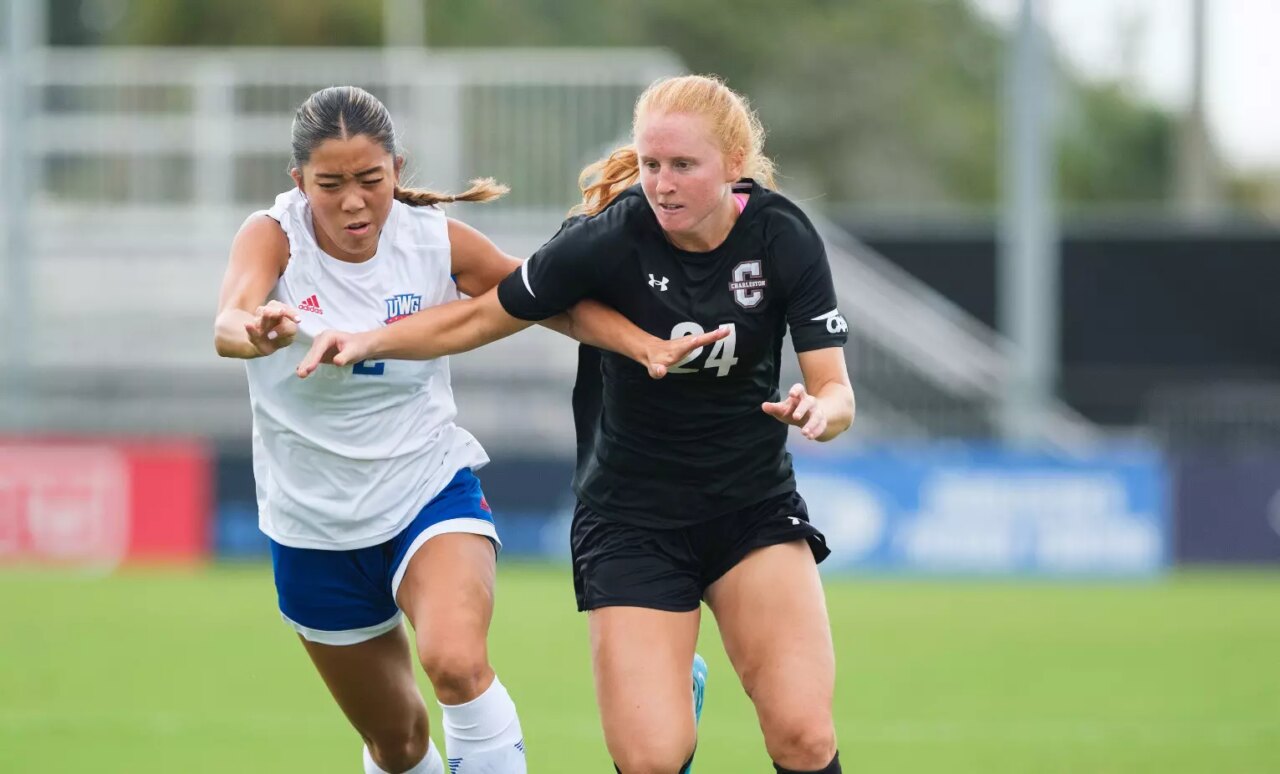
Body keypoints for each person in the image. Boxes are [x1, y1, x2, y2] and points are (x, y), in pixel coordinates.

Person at [298, 74, 854, 774]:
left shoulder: (782, 237)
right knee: (652, 759)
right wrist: (367, 338)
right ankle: (673, 682)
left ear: (735, 163)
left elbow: (836, 392)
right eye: (651, 165)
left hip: (752, 511)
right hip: (630, 523)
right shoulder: (609, 237)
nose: (662, 184)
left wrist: (817, 411)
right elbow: (481, 313)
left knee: (803, 736)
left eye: (684, 166)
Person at [213, 85, 721, 774]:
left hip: (427, 493)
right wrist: (254, 331)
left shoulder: (432, 241)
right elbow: (229, 323)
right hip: (311, 526)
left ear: (398, 167)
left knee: (454, 661)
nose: (354, 202)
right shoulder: (272, 235)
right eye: (330, 185)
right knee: (397, 744)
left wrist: (641, 343)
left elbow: (544, 297)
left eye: (371, 180)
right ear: (298, 182)